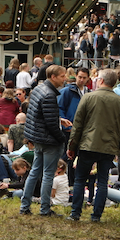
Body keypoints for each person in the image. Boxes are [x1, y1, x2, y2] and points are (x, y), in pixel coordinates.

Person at [67, 68, 120, 223]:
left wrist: (72, 146)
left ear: (100, 81)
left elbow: (78, 125)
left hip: (88, 144)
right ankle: (96, 215)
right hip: (108, 146)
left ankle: (75, 213)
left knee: (80, 179)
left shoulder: (88, 98)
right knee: (102, 181)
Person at [20, 65, 72, 217]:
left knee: (35, 172)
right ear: (53, 77)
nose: (65, 79)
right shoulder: (50, 95)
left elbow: (39, 114)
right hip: (49, 140)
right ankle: (44, 209)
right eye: (62, 76)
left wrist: (59, 119)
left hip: (38, 138)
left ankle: (25, 206)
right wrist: (63, 139)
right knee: (48, 175)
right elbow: (50, 124)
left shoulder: (38, 89)